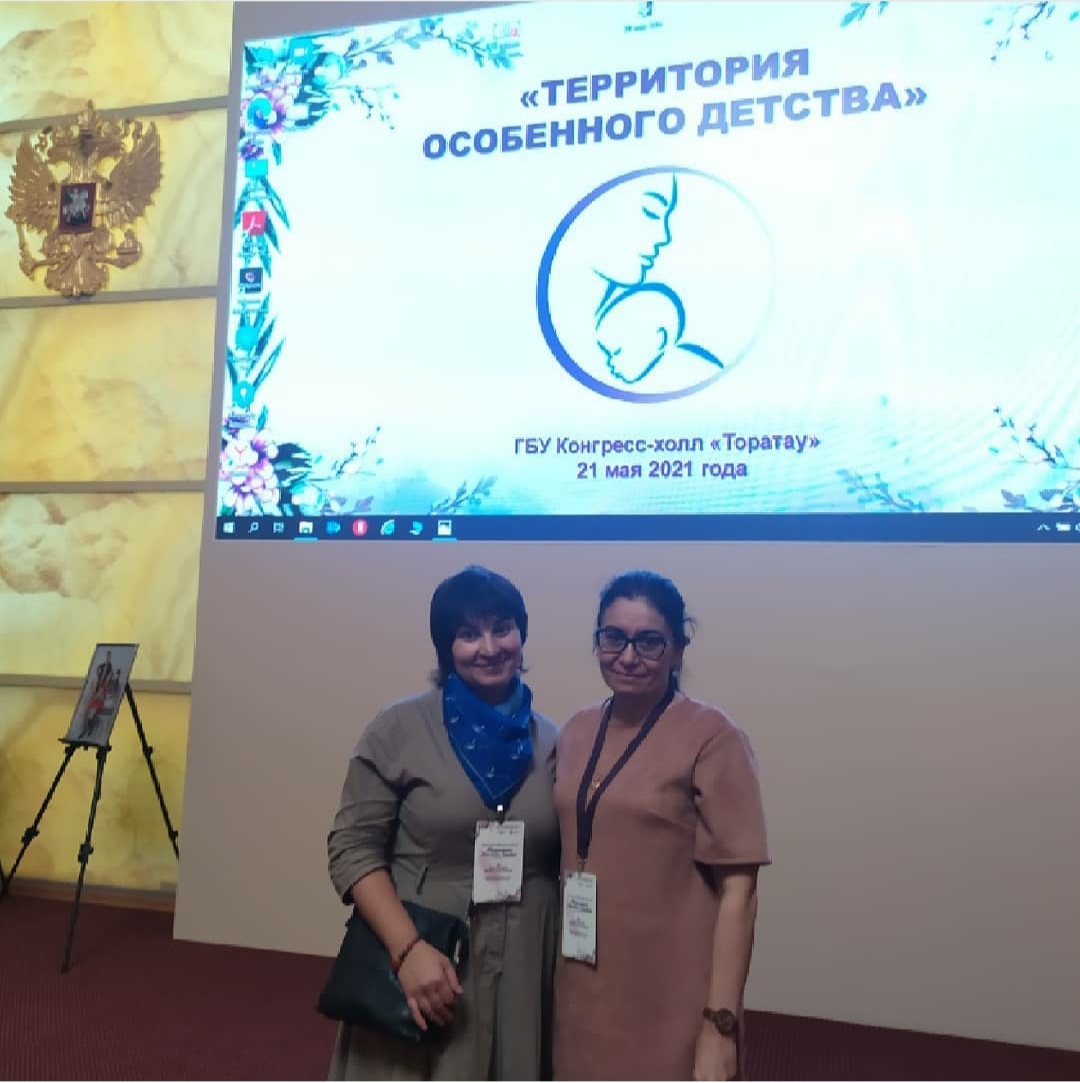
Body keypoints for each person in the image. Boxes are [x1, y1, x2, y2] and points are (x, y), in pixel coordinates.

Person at [327, 565, 560, 1080]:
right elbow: (352, 850)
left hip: (524, 964)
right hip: (425, 956)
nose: (489, 647)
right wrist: (407, 951)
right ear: (444, 647)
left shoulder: (553, 741)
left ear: (521, 634)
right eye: (468, 633)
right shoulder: (399, 729)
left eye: (502, 628)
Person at [553, 571, 769, 1081]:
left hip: (671, 1005)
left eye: (649, 642)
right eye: (614, 638)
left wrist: (720, 1027)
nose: (628, 656)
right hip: (579, 992)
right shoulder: (576, 730)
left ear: (677, 650)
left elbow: (739, 894)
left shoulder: (713, 737)